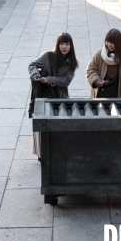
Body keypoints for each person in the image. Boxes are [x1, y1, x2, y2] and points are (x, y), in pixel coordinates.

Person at [28, 32, 79, 161]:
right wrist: (35, 75)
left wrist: (49, 79)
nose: (64, 47)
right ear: (58, 44)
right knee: (41, 125)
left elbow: (66, 81)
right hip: (42, 95)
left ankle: (56, 153)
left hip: (58, 97)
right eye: (62, 44)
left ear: (71, 46)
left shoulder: (72, 63)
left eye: (67, 44)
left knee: (57, 126)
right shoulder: (48, 56)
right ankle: (41, 155)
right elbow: (32, 65)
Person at [86, 28, 121, 98]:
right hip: (101, 93)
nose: (109, 45)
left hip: (119, 95)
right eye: (107, 42)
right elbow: (91, 70)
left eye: (112, 43)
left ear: (119, 43)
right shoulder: (100, 54)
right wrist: (97, 80)